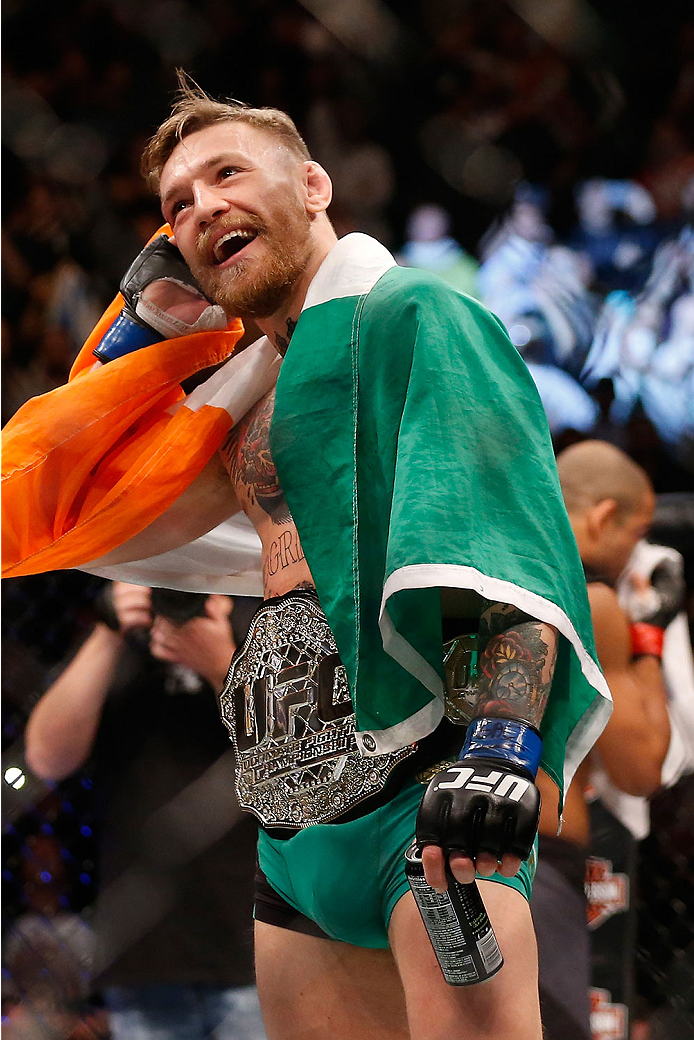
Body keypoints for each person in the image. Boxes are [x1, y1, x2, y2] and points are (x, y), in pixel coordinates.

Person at [2, 76, 614, 1040]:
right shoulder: (241, 391)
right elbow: (60, 491)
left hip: (426, 796)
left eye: (227, 174)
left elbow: (502, 541)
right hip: (288, 828)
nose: (202, 209)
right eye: (176, 206)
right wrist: (143, 331)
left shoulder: (417, 314)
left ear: (315, 186)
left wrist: (501, 742)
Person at [23, 581, 267, 1040]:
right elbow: (45, 758)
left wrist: (222, 668)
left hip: (258, 935)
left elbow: (301, 761)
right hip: (145, 948)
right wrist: (109, 630)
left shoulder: (264, 610)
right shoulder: (122, 635)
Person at [531, 440, 678, 1040]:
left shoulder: (489, 570)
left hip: (422, 847)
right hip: (534, 862)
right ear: (601, 517)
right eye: (635, 534)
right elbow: (642, 766)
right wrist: (648, 640)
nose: (633, 554)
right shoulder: (591, 600)